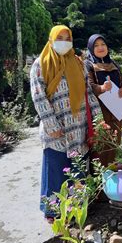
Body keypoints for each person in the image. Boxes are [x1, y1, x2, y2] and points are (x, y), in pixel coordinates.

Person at [30, 25, 100, 220]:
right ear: (51, 39)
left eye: (67, 37)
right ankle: (53, 212)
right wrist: (52, 126)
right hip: (57, 132)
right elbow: (39, 97)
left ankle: (77, 209)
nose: (63, 41)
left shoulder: (78, 63)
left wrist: (98, 121)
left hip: (79, 128)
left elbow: (88, 95)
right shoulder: (40, 64)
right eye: (59, 37)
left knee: (78, 170)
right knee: (56, 171)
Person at [86, 34, 122, 166]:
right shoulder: (88, 65)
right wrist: (102, 88)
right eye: (96, 45)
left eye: (103, 44)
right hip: (100, 112)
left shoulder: (113, 63)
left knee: (116, 143)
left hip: (117, 110)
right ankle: (101, 178)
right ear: (91, 48)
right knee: (102, 145)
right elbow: (89, 86)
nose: (100, 47)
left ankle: (114, 175)